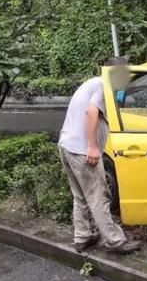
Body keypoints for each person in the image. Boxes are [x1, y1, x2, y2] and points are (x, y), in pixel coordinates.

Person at [58, 57, 142, 254]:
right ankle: (115, 241)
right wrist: (92, 146)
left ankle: (82, 237)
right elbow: (91, 112)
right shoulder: (104, 86)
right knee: (99, 196)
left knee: (80, 196)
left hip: (67, 146)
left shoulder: (92, 83)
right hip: (81, 150)